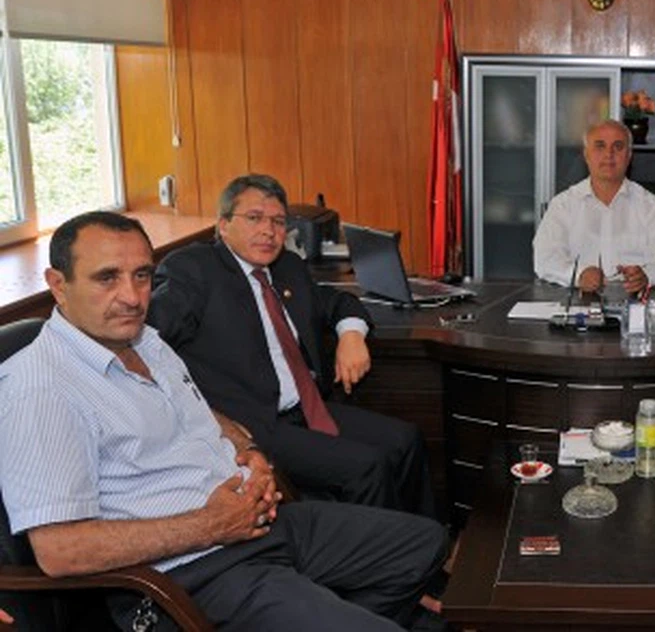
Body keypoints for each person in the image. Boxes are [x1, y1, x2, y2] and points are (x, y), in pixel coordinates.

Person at [0, 212, 446, 630]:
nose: (133, 297)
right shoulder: (41, 389)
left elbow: (196, 409)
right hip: (193, 574)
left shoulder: (145, 340)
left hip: (258, 525)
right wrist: (212, 525)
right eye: (107, 278)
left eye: (142, 276)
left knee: (424, 546)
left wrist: (246, 449)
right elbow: (61, 551)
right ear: (58, 285)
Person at [147, 174, 434, 518]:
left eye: (278, 221)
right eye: (254, 218)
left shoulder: (288, 266)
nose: (268, 231)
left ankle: (427, 539)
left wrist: (351, 335)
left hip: (307, 408)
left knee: (406, 440)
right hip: (252, 424)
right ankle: (385, 551)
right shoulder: (194, 271)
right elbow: (149, 338)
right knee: (367, 466)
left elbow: (336, 302)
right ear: (223, 225)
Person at [532, 119, 655, 294]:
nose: (609, 154)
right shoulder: (563, 205)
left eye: (618, 147)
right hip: (578, 302)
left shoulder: (651, 206)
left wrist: (647, 276)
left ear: (629, 156)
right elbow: (545, 259)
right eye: (600, 146)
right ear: (586, 155)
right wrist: (579, 275)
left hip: (634, 302)